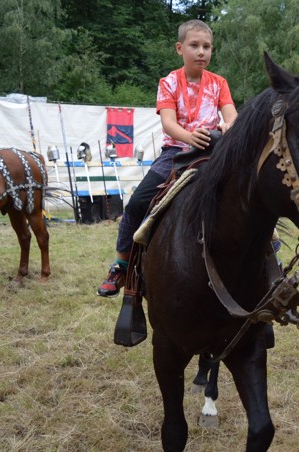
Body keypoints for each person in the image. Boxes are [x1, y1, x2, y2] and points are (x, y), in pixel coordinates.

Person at [97, 19, 237, 296]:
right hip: (176, 151)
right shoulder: (168, 82)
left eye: (207, 47)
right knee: (137, 202)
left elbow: (231, 115)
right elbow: (168, 124)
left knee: (247, 192)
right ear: (179, 48)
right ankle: (121, 265)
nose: (201, 52)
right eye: (194, 45)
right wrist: (189, 137)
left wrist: (228, 125)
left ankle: (272, 258)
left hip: (214, 150)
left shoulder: (219, 83)